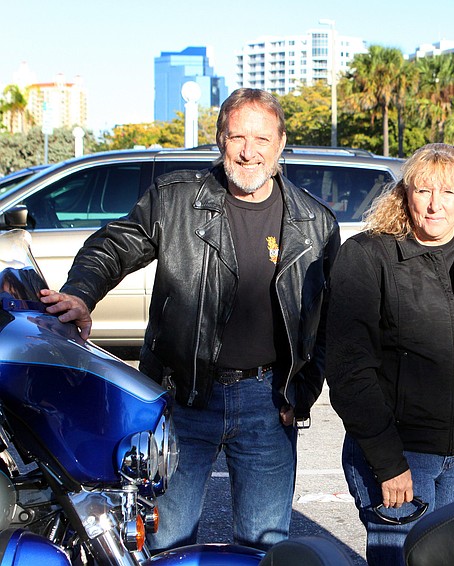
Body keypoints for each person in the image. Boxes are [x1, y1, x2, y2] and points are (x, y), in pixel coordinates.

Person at [39, 88, 340, 551]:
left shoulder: (316, 223)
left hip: (268, 402)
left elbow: (323, 322)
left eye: (261, 138)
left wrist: (302, 392)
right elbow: (112, 246)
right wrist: (80, 294)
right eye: (236, 136)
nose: (248, 150)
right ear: (220, 140)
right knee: (166, 545)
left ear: (281, 144)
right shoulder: (174, 199)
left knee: (264, 548)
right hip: (184, 398)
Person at [326, 143, 454, 565]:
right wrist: (387, 463)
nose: (434, 205)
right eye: (423, 191)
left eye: (448, 193)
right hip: (403, 455)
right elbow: (350, 371)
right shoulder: (369, 255)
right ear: (405, 194)